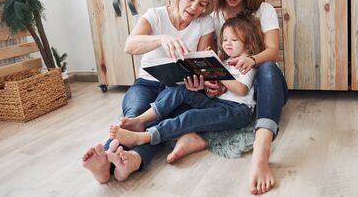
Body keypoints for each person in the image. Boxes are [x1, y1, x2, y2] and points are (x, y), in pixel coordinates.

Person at [166, 0, 289, 195]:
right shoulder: (214, 16)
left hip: (266, 86)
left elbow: (273, 52)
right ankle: (189, 135)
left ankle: (261, 153)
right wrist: (216, 83)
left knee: (268, 67)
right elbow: (213, 59)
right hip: (233, 90)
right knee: (181, 96)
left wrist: (251, 59)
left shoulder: (263, 10)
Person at [82, 0, 217, 183]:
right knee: (134, 116)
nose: (195, 8)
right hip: (147, 84)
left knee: (159, 124)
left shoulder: (205, 23)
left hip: (178, 90)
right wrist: (161, 39)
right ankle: (109, 161)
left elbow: (201, 63)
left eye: (202, 4)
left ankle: (122, 161)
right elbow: (129, 45)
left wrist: (199, 82)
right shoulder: (155, 15)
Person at [108, 15, 264, 148]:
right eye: (224, 39)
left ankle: (145, 137)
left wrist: (218, 74)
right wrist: (209, 79)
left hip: (236, 111)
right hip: (218, 103)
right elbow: (222, 88)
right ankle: (140, 120)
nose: (227, 43)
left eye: (234, 39)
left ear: (248, 45)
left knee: (191, 116)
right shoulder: (226, 62)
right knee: (178, 91)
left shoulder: (246, 63)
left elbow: (242, 89)